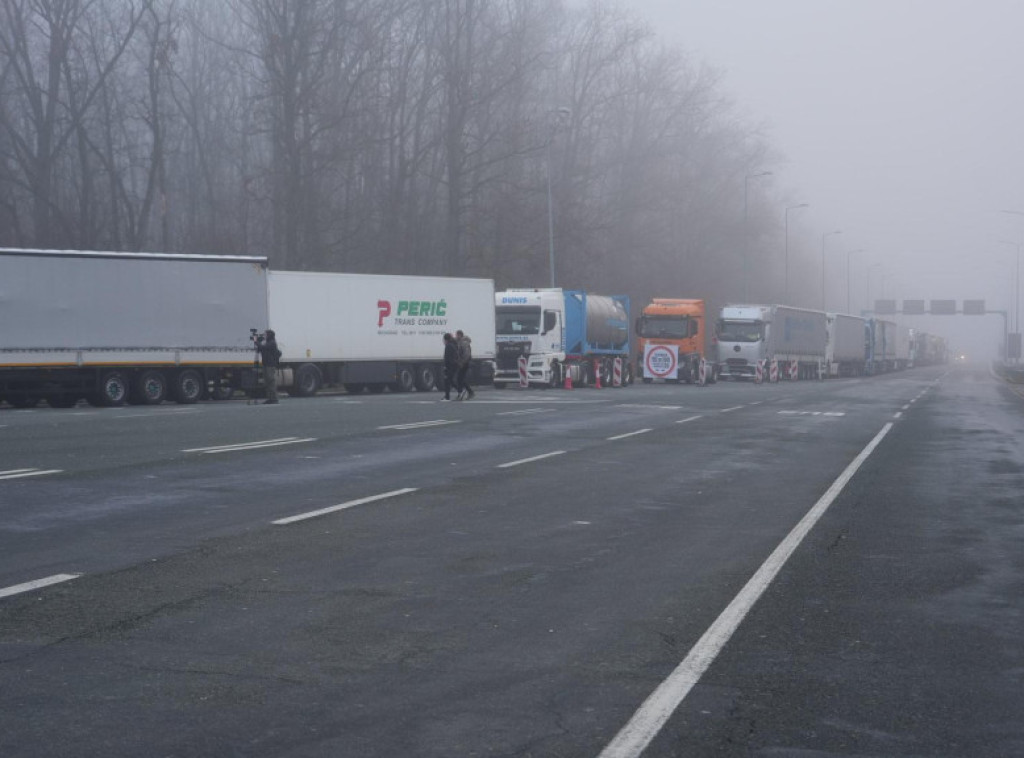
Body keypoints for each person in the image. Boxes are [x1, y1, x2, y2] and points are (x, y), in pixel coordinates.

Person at [258, 329, 281, 404]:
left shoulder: (272, 343)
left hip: (270, 365)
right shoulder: (267, 342)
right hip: (265, 364)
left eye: (265, 334)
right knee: (267, 382)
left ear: (269, 335)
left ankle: (274, 398)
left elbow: (263, 348)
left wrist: (256, 342)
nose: (264, 336)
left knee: (271, 381)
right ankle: (270, 398)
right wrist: (259, 342)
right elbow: (260, 349)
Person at [455, 329, 474, 399]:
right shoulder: (460, 342)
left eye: (456, 335)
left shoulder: (464, 343)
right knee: (460, 378)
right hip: (462, 362)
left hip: (464, 363)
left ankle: (464, 393)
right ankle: (466, 392)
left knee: (460, 378)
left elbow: (466, 354)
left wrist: (462, 362)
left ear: (460, 335)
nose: (456, 336)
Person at [442, 332, 459, 400]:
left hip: (450, 366)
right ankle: (447, 396)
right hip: (454, 365)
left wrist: (446, 367)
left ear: (446, 339)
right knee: (450, 381)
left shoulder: (448, 346)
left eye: (443, 340)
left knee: (448, 381)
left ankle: (447, 396)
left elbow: (447, 358)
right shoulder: (453, 345)